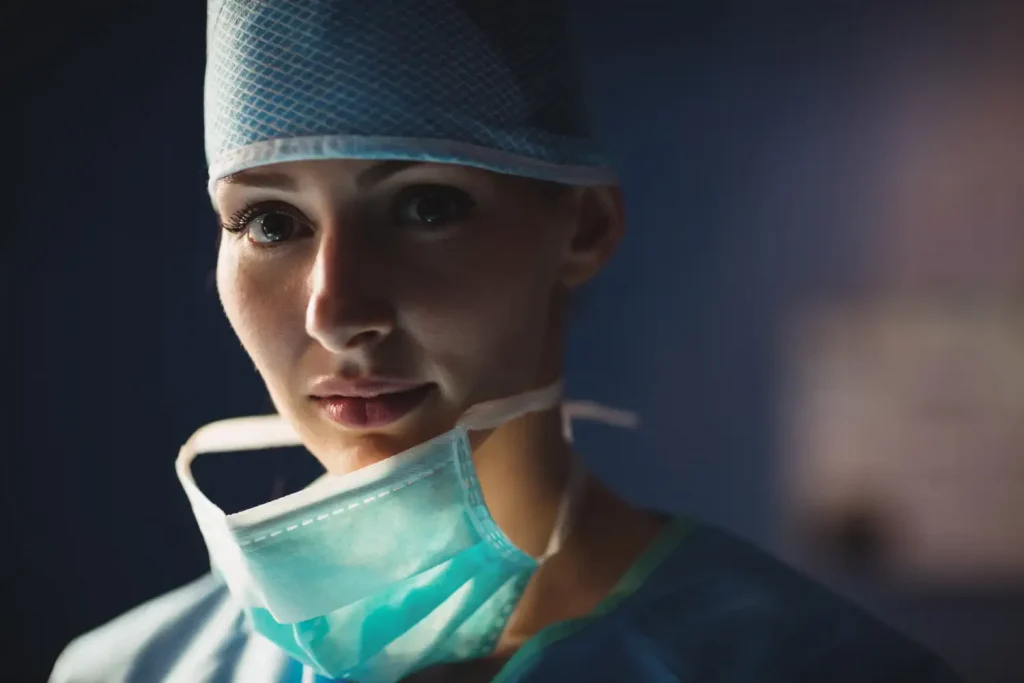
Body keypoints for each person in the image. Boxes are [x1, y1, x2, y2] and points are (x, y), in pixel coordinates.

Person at [50, 1, 965, 682]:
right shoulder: (124, 669)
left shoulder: (813, 666)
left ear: (583, 230)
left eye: (424, 205)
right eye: (268, 221)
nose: (335, 311)